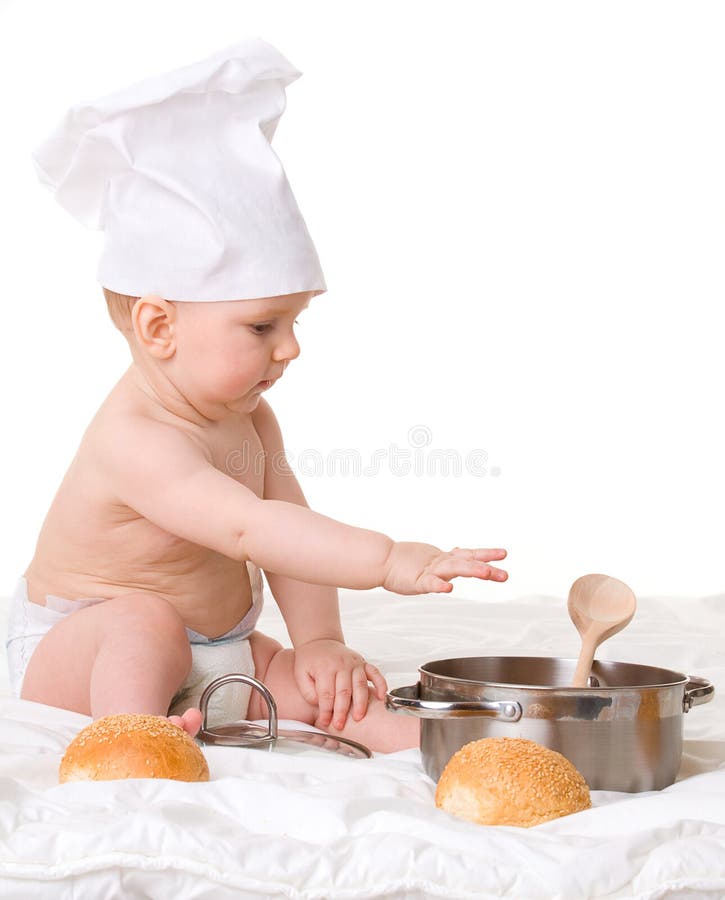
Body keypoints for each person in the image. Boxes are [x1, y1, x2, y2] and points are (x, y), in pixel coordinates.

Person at [5, 40, 508, 753]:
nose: (290, 347)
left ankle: (437, 747)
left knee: (317, 682)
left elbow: (287, 527)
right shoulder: (135, 438)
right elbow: (249, 529)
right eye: (262, 325)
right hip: (81, 652)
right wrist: (388, 558)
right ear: (158, 326)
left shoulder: (249, 415)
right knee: (142, 620)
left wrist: (322, 641)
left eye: (294, 321)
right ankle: (134, 741)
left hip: (220, 649)